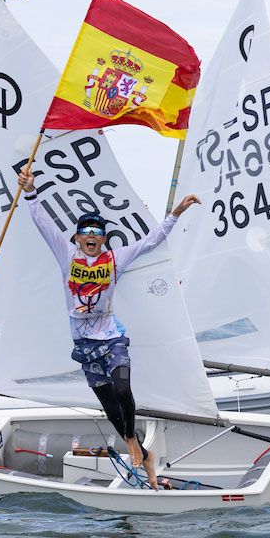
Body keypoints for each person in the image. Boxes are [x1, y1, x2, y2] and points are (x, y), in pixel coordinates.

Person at [18, 164, 200, 490]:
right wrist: (31, 191)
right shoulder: (66, 256)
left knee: (121, 390)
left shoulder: (115, 258)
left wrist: (177, 212)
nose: (91, 236)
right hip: (84, 343)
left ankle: (131, 441)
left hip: (112, 335)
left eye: (96, 232)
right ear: (76, 238)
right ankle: (146, 456)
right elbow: (43, 224)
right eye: (85, 232)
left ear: (104, 238)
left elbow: (152, 241)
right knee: (109, 407)